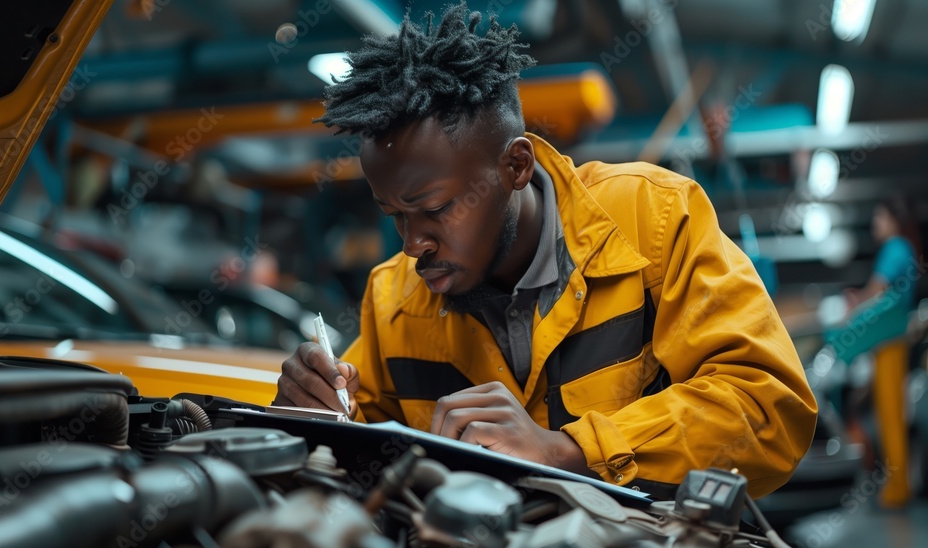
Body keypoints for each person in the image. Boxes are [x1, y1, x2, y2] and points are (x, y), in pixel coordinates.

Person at [273, 3, 817, 499]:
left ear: (515, 166)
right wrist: (316, 414)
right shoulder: (394, 298)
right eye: (394, 214)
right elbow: (364, 443)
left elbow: (768, 409)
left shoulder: (652, 219)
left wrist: (572, 452)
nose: (413, 243)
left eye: (435, 209)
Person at [842, 195, 922, 508]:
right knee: (891, 412)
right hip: (893, 340)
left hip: (889, 340)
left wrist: (854, 304)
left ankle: (898, 487)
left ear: (892, 219)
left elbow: (878, 289)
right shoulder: (906, 248)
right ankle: (898, 483)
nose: (875, 223)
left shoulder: (895, 248)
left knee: (890, 414)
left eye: (879, 217)